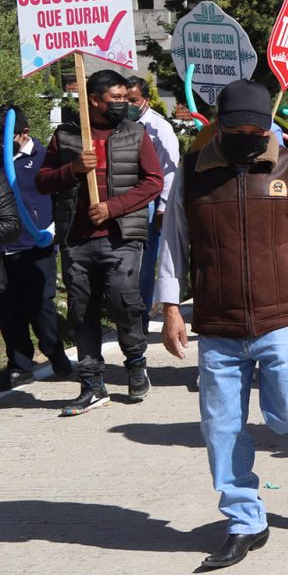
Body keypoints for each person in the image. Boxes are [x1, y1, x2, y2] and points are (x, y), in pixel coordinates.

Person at [156, 79, 288, 572]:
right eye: (237, 130)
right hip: (217, 321)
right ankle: (244, 519)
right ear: (218, 125)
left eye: (256, 131)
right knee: (222, 427)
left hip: (280, 313)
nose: (249, 138)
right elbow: (173, 241)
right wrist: (171, 305)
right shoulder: (193, 174)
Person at [37, 70, 163, 416]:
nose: (122, 104)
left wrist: (113, 207)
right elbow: (44, 181)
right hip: (76, 240)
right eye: (116, 99)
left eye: (125, 98)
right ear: (93, 100)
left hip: (121, 237)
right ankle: (92, 384)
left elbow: (153, 182)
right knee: (81, 310)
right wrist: (73, 169)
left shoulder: (136, 133)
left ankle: (136, 365)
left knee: (124, 302)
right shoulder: (65, 136)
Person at [1, 113, 68, 390]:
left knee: (40, 305)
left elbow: (60, 198)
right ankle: (20, 365)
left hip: (36, 245)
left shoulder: (45, 157)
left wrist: (52, 231)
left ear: (24, 132)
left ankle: (55, 352)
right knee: (7, 308)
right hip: (5, 247)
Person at [125, 76, 180, 327]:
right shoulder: (120, 126)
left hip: (150, 202)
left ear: (145, 99)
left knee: (145, 265)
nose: (128, 104)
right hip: (124, 199)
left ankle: (141, 317)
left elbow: (169, 171)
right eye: (124, 99)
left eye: (133, 100)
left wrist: (163, 206)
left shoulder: (160, 128)